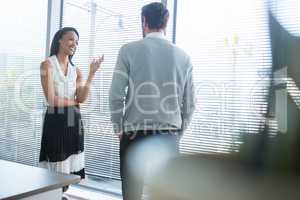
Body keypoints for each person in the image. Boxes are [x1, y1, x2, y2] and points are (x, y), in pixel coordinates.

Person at [109, 2, 195, 200]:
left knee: (132, 193)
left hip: (134, 134)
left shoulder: (128, 50)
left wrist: (118, 127)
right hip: (168, 134)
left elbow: (116, 95)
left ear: (144, 21)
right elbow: (189, 104)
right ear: (166, 22)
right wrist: (177, 132)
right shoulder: (184, 57)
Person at [39, 27, 103, 191]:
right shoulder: (47, 65)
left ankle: (61, 195)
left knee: (68, 172)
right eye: (70, 39)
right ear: (59, 40)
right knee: (55, 168)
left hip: (74, 122)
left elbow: (81, 98)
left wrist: (91, 74)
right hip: (56, 122)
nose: (74, 44)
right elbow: (52, 100)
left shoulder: (77, 71)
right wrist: (73, 103)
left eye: (76, 41)